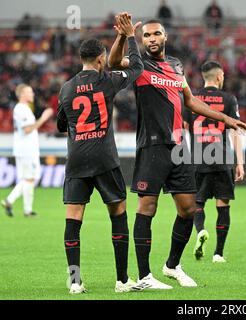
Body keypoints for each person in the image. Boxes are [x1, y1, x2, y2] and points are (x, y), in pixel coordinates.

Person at [108, 19, 246, 289]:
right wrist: (125, 37)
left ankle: (172, 266)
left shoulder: (176, 65)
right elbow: (114, 62)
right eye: (145, 35)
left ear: (165, 36)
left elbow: (191, 101)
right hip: (152, 146)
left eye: (155, 33)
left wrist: (226, 119)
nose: (150, 38)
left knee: (188, 208)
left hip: (180, 148)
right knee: (147, 207)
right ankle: (146, 276)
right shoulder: (139, 64)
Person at [56, 13, 144, 294]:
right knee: (118, 213)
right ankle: (121, 280)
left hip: (77, 159)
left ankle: (74, 281)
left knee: (73, 221)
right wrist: (129, 36)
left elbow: (61, 124)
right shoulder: (107, 80)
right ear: (99, 60)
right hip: (105, 158)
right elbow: (137, 69)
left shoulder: (67, 88)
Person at [183, 60, 244, 263]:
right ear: (219, 77)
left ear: (203, 77)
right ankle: (218, 253)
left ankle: (200, 230)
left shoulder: (191, 98)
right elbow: (236, 131)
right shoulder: (229, 99)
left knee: (197, 203)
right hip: (222, 159)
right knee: (222, 204)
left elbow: (182, 130)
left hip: (198, 159)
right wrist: (240, 162)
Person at [1, 85, 53, 217]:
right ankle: (12, 201)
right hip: (26, 150)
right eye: (30, 92)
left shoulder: (25, 109)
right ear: (22, 94)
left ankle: (26, 209)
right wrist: (43, 118)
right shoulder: (20, 109)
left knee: (30, 179)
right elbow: (27, 129)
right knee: (30, 179)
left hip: (28, 149)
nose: (33, 94)